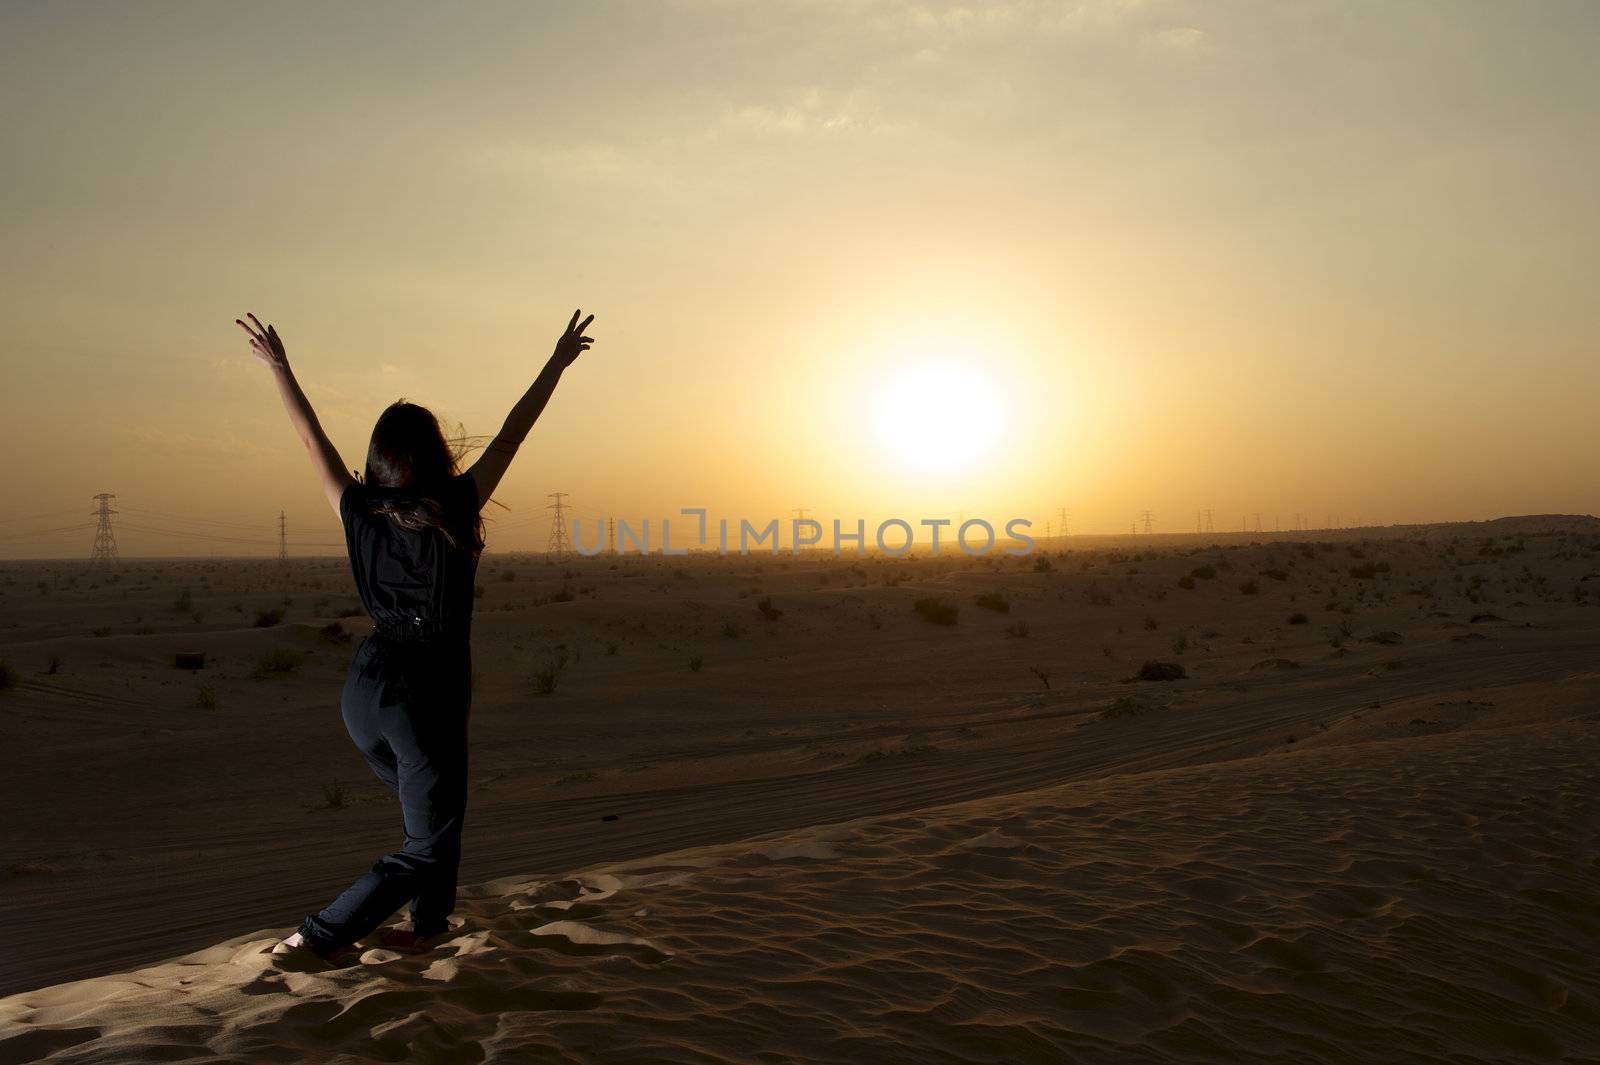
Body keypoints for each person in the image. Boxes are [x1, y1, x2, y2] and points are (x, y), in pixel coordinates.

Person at [233, 308, 595, 961]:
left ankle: (428, 922)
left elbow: (312, 440)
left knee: (438, 810)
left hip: (363, 692)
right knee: (427, 835)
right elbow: (513, 434)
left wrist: (281, 368)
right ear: (437, 457)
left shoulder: (357, 510)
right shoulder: (455, 508)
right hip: (424, 697)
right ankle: (313, 938)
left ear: (375, 465)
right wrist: (557, 363)